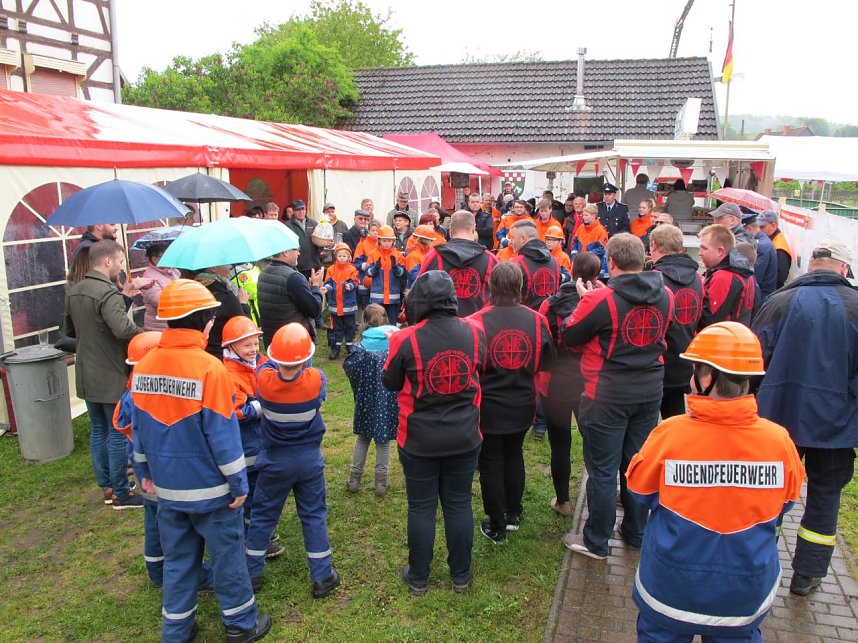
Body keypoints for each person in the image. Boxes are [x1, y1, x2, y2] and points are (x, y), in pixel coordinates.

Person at [626, 322, 803, 642]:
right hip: (743, 597)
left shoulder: (670, 434)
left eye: (695, 370)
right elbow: (786, 503)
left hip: (669, 590)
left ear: (707, 378)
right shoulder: (779, 441)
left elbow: (639, 491)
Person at [131, 279, 270, 642]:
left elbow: (140, 431)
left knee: (178, 562)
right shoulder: (210, 369)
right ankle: (241, 624)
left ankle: (176, 631)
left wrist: (144, 471)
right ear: (207, 322)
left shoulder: (143, 368)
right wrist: (239, 484)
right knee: (228, 560)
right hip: (214, 493)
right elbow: (223, 438)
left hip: (167, 491)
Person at [753, 239, 858, 597]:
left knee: (770, 493)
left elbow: (753, 361)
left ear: (810, 265)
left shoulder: (779, 302)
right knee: (826, 498)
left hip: (778, 422)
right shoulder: (857, 307)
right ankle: (808, 574)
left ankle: (757, 561)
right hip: (838, 427)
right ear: (843, 269)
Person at [560, 233, 673, 559]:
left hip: (606, 394)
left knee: (603, 470)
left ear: (611, 262)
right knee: (636, 464)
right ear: (643, 259)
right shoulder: (665, 295)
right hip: (649, 390)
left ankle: (596, 541)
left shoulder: (600, 300)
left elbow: (570, 335)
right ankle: (635, 532)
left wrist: (584, 301)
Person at [382, 271, 486, 596]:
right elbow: (481, 365)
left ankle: (419, 577)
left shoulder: (405, 339)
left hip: (418, 438)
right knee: (459, 503)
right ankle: (461, 575)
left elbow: (390, 381)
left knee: (421, 506)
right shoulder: (475, 331)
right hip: (465, 435)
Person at [244, 323, 341, 600]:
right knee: (313, 516)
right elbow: (311, 375)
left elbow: (261, 365)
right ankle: (323, 577)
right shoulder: (316, 379)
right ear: (305, 357)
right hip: (309, 459)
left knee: (262, 518)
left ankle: (252, 574)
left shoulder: (264, 380)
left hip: (275, 460)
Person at [467, 262, 553, 543]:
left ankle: (497, 525)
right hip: (523, 402)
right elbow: (547, 361)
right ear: (520, 287)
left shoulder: (477, 321)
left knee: (491, 461)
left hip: (489, 404)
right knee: (514, 454)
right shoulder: (537, 320)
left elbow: (471, 364)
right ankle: (513, 513)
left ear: (490, 286)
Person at [63, 240, 144, 508]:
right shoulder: (107, 293)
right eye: (120, 261)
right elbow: (122, 330)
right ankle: (122, 492)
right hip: (109, 371)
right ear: (107, 261)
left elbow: (70, 332)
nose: (121, 266)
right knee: (116, 431)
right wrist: (148, 336)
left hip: (86, 371)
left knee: (99, 431)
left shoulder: (75, 291)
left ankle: (108, 488)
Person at [539, 252, 602, 518]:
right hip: (589, 380)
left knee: (560, 443)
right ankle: (599, 499)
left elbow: (543, 342)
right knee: (596, 443)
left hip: (555, 381)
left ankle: (563, 501)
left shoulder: (550, 305)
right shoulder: (601, 304)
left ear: (571, 270)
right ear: (596, 276)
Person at [220, 316, 285, 558]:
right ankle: (256, 540)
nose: (253, 350)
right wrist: (261, 407)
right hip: (246, 448)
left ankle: (262, 531)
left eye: (256, 344)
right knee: (252, 496)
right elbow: (236, 413)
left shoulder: (261, 363)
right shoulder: (228, 374)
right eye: (247, 345)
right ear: (231, 346)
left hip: (263, 443)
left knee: (263, 491)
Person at [342, 304, 399, 496]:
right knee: (383, 442)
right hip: (388, 399)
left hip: (366, 399)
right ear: (385, 319)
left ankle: (354, 480)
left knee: (363, 438)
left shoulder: (360, 347)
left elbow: (350, 369)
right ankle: (381, 484)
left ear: (365, 322)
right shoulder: (396, 342)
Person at [649, 224, 703, 419]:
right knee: (677, 418)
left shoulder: (654, 280)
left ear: (653, 246)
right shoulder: (698, 278)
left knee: (650, 426)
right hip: (685, 361)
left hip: (659, 363)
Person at [418, 210, 499, 317]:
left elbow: (418, 294)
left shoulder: (433, 257)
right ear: (474, 228)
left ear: (450, 230)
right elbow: (500, 298)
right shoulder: (491, 260)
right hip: (479, 327)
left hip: (441, 327)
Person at [257, 245, 324, 348]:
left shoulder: (264, 272)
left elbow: (285, 302)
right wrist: (315, 287)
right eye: (297, 249)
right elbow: (314, 310)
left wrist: (307, 289)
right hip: (294, 344)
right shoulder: (293, 277)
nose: (299, 253)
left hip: (273, 342)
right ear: (285, 252)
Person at [697, 224, 755, 329]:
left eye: (704, 248)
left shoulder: (723, 276)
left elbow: (708, 321)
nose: (700, 253)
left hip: (721, 340)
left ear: (720, 251)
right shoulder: (744, 271)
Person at [194, 264, 251, 360]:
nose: (230, 268)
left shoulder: (194, 289)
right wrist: (243, 304)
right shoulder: (225, 296)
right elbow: (245, 330)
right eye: (226, 265)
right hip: (221, 356)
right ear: (213, 268)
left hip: (199, 353)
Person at [509, 219, 560, 311]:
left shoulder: (516, 264)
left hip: (525, 321)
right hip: (549, 321)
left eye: (512, 237)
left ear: (523, 239)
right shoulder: (555, 262)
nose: (510, 241)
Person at [362, 225, 406, 326]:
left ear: (393, 241)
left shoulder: (398, 254)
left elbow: (403, 273)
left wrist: (396, 269)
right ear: (379, 240)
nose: (387, 243)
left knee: (391, 324)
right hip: (377, 298)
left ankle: (391, 342)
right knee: (376, 324)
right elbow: (368, 273)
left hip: (392, 298)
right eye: (384, 240)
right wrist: (375, 269)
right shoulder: (373, 254)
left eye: (389, 241)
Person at [321, 242, 359, 359]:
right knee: (337, 327)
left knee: (350, 326)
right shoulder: (331, 269)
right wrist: (326, 288)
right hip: (335, 306)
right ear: (335, 256)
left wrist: (350, 286)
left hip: (348, 306)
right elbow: (329, 283)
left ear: (349, 257)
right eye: (340, 256)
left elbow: (356, 282)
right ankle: (336, 348)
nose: (342, 258)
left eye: (344, 256)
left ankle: (349, 346)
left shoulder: (352, 269)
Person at [140, 243, 179, 331]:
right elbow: (159, 300)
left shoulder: (173, 271)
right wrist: (179, 294)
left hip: (173, 323)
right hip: (159, 327)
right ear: (155, 259)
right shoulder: (149, 277)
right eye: (166, 256)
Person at [742, 211, 778, 301]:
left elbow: (755, 276)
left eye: (742, 231)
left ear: (749, 229)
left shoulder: (762, 246)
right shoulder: (761, 242)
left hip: (760, 296)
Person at [285, 200, 322, 279]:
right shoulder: (288, 226)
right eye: (298, 210)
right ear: (293, 211)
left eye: (303, 209)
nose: (301, 212)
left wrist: (327, 245)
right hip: (298, 267)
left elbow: (321, 243)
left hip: (314, 265)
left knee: (316, 289)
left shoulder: (314, 223)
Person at [570, 203, 609, 280]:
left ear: (593, 216)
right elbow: (575, 244)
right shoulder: (581, 228)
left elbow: (602, 249)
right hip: (580, 264)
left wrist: (587, 256)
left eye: (586, 215)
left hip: (593, 267)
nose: (583, 217)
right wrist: (574, 258)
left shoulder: (601, 231)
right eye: (583, 215)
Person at [758, 209, 792, 289]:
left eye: (762, 227)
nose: (759, 229)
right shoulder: (770, 239)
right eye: (758, 226)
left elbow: (780, 277)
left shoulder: (779, 247)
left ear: (773, 225)